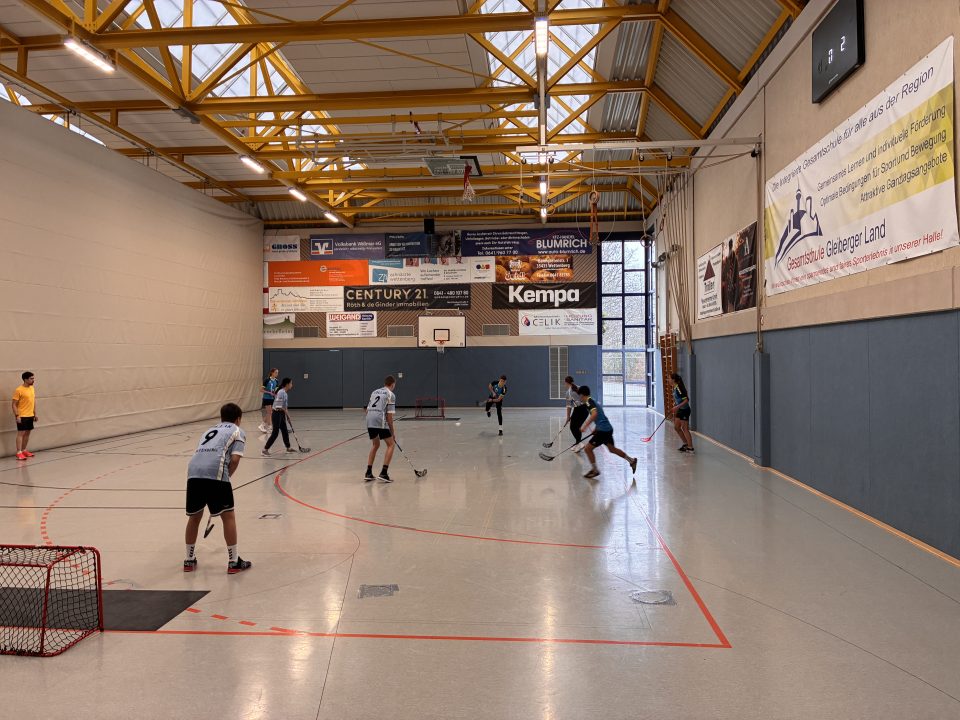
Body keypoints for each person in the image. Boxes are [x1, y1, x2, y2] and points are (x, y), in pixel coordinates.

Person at [182, 402, 252, 574]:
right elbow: (234, 460)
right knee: (228, 517)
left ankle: (189, 560)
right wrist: (226, 478)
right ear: (238, 419)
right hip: (216, 473)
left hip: (193, 473)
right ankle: (234, 562)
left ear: (222, 417)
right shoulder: (237, 431)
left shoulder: (208, 430)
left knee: (194, 517)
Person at [577, 385, 637, 479]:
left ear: (582, 395)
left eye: (580, 396)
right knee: (612, 449)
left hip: (603, 431)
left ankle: (595, 470)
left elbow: (594, 414)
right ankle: (632, 461)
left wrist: (584, 426)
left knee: (587, 449)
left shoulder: (588, 402)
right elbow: (601, 416)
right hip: (607, 429)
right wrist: (596, 428)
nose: (580, 398)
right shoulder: (592, 401)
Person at [364, 375, 397, 483]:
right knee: (391, 444)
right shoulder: (390, 394)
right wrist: (392, 432)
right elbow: (389, 417)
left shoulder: (374, 392)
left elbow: (367, 410)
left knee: (375, 445)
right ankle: (384, 473)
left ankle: (368, 472)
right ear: (393, 384)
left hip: (369, 419)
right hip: (379, 419)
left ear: (385, 383)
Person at [262, 378, 295, 455]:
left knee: (285, 431)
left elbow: (285, 407)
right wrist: (286, 414)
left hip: (281, 413)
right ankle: (265, 450)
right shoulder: (281, 392)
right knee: (275, 433)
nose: (292, 385)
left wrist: (288, 417)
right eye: (291, 383)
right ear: (287, 384)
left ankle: (288, 448)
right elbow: (279, 407)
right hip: (276, 414)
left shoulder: (285, 393)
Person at [11, 371, 37, 461]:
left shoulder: (32, 388)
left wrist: (35, 414)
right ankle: (19, 452)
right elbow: (14, 404)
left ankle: (24, 450)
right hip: (22, 415)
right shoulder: (19, 390)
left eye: (33, 378)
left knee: (27, 433)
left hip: (30, 415)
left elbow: (33, 401)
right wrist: (17, 415)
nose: (33, 380)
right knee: (21, 434)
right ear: (25, 379)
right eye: (31, 378)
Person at [671, 372, 694, 453]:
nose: (668, 380)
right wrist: (675, 406)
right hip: (680, 410)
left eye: (669, 378)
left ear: (673, 380)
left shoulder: (679, 388)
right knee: (676, 427)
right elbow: (678, 400)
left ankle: (690, 448)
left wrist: (677, 407)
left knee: (685, 428)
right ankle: (685, 444)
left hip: (685, 410)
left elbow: (686, 400)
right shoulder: (674, 388)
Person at [565, 376, 588, 452]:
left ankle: (579, 443)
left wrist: (568, 417)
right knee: (576, 427)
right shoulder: (579, 387)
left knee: (573, 427)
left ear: (566, 383)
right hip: (584, 409)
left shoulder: (568, 392)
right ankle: (578, 443)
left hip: (579, 409)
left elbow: (569, 406)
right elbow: (587, 398)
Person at [259, 368, 279, 433]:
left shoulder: (276, 381)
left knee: (270, 413)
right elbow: (261, 390)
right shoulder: (267, 380)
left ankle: (263, 425)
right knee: (269, 412)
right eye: (276, 372)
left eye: (277, 372)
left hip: (272, 398)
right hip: (266, 398)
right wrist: (269, 392)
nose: (277, 374)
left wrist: (275, 394)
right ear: (272, 373)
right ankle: (268, 427)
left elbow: (275, 390)